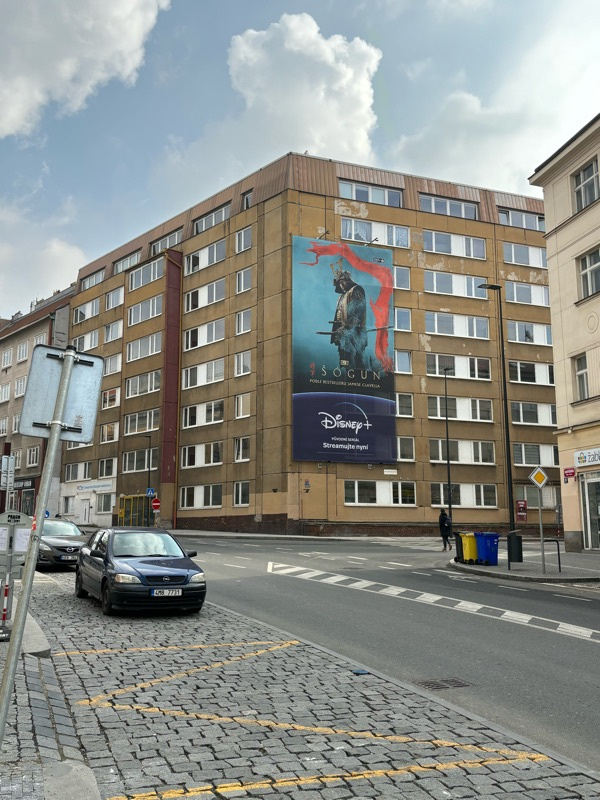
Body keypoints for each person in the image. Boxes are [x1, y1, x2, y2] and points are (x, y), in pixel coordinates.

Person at [330, 259, 367, 369]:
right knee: (344, 358)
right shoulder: (341, 297)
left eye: (342, 282)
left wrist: (348, 327)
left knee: (356, 359)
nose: (341, 285)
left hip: (355, 333)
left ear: (348, 281)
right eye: (339, 284)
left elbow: (358, 311)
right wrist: (338, 331)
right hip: (342, 333)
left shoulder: (356, 290)